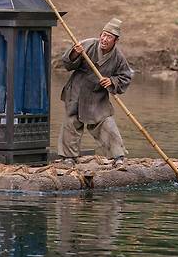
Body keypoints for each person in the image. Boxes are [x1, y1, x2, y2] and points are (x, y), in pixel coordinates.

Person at [57, 18, 133, 168]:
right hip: (77, 91)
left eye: (109, 37)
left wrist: (111, 81)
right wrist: (75, 53)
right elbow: (67, 63)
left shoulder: (118, 57)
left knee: (106, 123)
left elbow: (125, 76)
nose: (104, 39)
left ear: (115, 41)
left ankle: (118, 156)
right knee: (72, 123)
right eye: (103, 35)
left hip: (97, 95)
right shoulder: (88, 44)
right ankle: (69, 157)